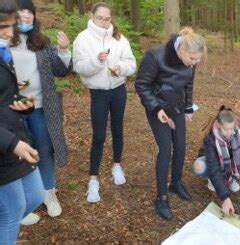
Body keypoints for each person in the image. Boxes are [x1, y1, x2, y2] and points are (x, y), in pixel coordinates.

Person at [9, 0, 72, 224]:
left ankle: (49, 193)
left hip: (40, 107)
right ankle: (23, 203)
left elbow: (61, 70)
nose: (26, 16)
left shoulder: (42, 43)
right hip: (11, 110)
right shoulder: (4, 42)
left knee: (44, 151)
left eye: (30, 13)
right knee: (16, 154)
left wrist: (64, 50)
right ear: (13, 15)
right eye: (21, 12)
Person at [135, 27, 207, 220]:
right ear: (182, 50)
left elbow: (188, 84)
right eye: (193, 58)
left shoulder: (191, 59)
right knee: (166, 149)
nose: (195, 62)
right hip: (158, 109)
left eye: (198, 59)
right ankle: (161, 197)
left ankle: (175, 182)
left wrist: (189, 108)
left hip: (177, 108)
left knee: (181, 147)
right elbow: (141, 84)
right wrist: (157, 109)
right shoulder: (155, 56)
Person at [73, 2, 137, 203]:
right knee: (99, 135)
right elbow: (79, 67)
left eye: (107, 18)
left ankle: (117, 165)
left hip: (118, 90)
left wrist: (120, 67)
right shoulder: (83, 39)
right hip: (98, 92)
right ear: (92, 16)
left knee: (118, 129)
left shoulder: (118, 38)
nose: (103, 22)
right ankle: (93, 178)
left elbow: (132, 62)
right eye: (100, 18)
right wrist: (97, 61)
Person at [0, 0, 44, 243]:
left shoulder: (3, 53)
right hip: (6, 144)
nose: (9, 32)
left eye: (11, 25)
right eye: (2, 26)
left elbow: (5, 96)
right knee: (10, 211)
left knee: (35, 196)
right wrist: (12, 143)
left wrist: (21, 105)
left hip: (14, 135)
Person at [192, 106, 240, 215]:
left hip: (231, 163)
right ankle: (211, 180)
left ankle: (233, 178)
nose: (229, 132)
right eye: (226, 129)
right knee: (198, 166)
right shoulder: (210, 139)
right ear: (218, 125)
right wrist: (225, 198)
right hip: (215, 163)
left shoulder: (237, 129)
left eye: (231, 128)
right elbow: (214, 168)